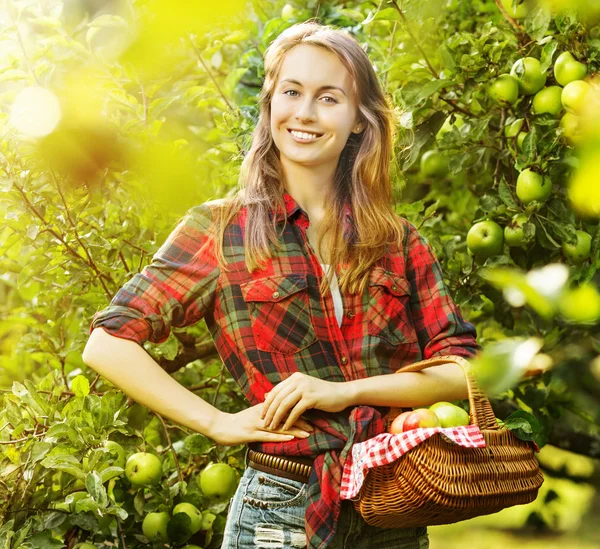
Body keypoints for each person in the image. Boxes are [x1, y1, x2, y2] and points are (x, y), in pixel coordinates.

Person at [83, 20, 479, 549]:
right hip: (280, 509)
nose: (306, 113)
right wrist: (215, 423)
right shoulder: (222, 230)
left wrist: (346, 393)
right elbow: (107, 342)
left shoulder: (397, 240)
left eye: (329, 97)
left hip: (393, 506)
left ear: (359, 121)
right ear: (270, 106)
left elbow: (463, 370)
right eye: (291, 92)